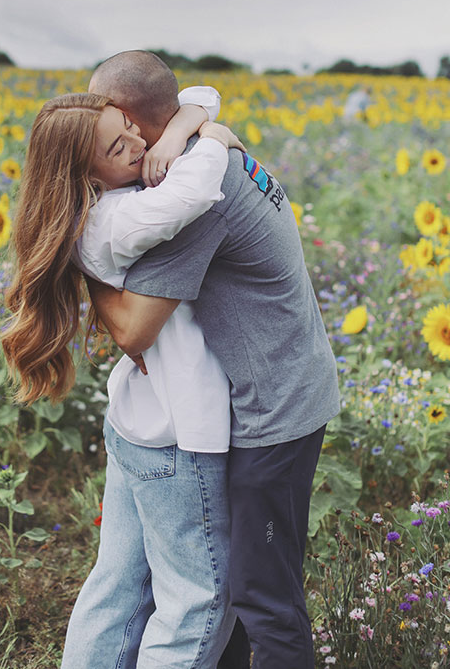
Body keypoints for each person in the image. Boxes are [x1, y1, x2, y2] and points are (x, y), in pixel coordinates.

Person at [87, 50, 341, 669]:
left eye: (107, 118)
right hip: (285, 387)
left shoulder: (193, 201)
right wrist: (191, 123)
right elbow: (200, 99)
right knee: (233, 588)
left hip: (271, 413)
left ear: (129, 121)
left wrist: (75, 258)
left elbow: (134, 330)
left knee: (261, 594)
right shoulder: (204, 149)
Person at [1, 89, 245, 667]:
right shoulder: (116, 217)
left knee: (117, 589)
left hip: (138, 421)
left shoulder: (100, 206)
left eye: (133, 127)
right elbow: (196, 190)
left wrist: (184, 118)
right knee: (197, 604)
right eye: (119, 145)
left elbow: (193, 92)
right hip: (180, 434)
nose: (140, 143)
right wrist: (210, 136)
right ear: (86, 176)